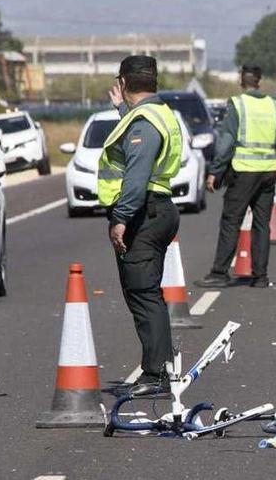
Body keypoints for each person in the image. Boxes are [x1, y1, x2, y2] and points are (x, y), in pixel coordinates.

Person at [98, 55, 181, 396]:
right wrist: (122, 109)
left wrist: (121, 218)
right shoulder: (155, 113)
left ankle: (156, 372)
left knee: (144, 295)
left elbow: (136, 175)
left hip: (143, 213)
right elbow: (138, 142)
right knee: (146, 293)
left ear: (124, 81)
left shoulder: (145, 120)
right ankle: (159, 366)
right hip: (156, 210)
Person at [196, 65, 276, 289]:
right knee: (262, 224)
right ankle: (260, 277)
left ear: (241, 80)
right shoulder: (275, 105)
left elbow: (226, 142)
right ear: (260, 80)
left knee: (231, 221)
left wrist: (216, 172)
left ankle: (220, 273)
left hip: (243, 171)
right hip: (268, 170)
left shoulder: (238, 104)